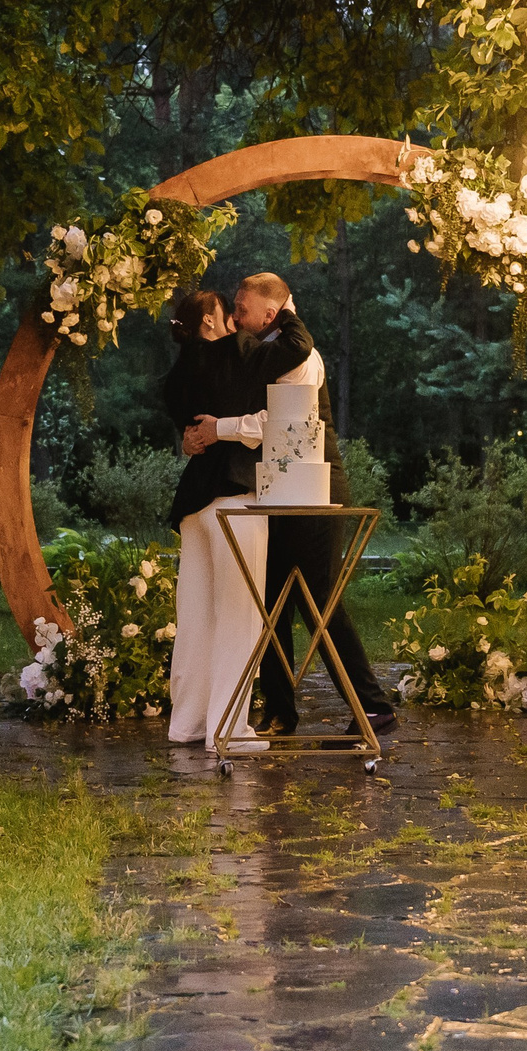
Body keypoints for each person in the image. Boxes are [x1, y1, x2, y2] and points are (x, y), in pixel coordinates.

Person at [183, 272, 396, 737]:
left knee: (319, 599)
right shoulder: (256, 354)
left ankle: (373, 706)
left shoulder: (304, 358)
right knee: (272, 601)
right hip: (274, 489)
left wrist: (217, 428)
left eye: (242, 307)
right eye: (233, 307)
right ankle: (280, 712)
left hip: (316, 490)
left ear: (271, 313)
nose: (235, 315)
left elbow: (276, 422)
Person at [161, 290, 268, 749]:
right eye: (231, 314)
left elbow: (189, 429)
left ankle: (187, 723)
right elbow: (292, 351)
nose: (237, 323)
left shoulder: (177, 374)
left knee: (196, 615)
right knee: (239, 613)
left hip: (195, 504)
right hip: (235, 496)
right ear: (210, 320)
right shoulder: (236, 353)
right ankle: (229, 728)